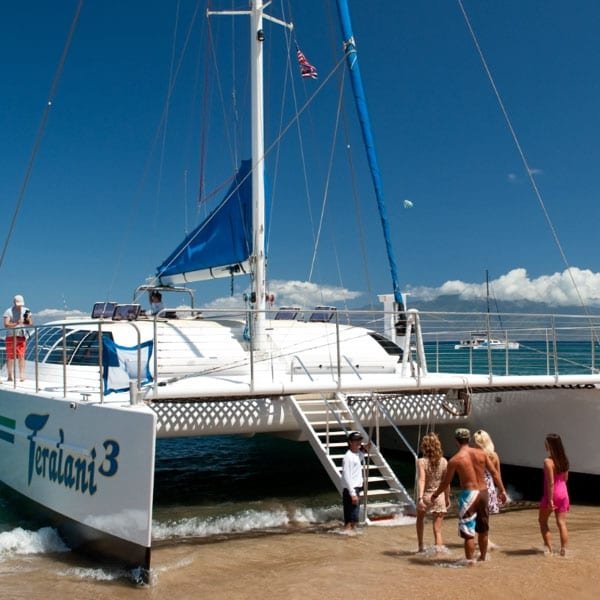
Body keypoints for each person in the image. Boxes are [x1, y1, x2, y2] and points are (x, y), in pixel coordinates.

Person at [431, 427, 507, 562]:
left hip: (469, 495)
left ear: (456, 441)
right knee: (483, 529)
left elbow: (445, 482)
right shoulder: (481, 454)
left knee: (468, 533)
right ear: (468, 439)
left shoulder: (455, 460)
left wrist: (436, 494)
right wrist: (502, 490)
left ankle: (470, 563)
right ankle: (483, 559)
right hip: (484, 493)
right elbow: (494, 473)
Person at [415, 432, 450, 553]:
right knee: (437, 529)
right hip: (439, 497)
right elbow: (446, 483)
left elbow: (422, 479)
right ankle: (439, 554)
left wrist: (420, 498)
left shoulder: (421, 462)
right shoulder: (444, 462)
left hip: (426, 496)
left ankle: (420, 546)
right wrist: (447, 498)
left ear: (424, 447)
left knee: (420, 520)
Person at [539, 433, 570, 556]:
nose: (544, 445)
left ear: (550, 445)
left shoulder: (548, 461)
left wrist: (550, 500)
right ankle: (564, 551)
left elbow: (551, 483)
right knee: (561, 523)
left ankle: (549, 550)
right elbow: (565, 478)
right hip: (564, 493)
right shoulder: (564, 459)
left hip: (552, 494)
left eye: (546, 443)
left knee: (542, 521)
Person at [473, 429, 502, 549]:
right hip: (489, 487)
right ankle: (485, 539)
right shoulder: (494, 456)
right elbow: (497, 474)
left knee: (475, 515)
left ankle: (479, 539)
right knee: (485, 516)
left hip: (476, 486)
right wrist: (501, 490)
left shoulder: (474, 455)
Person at [341, 431, 371, 533]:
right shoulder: (348, 457)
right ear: (350, 442)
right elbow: (346, 476)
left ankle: (350, 539)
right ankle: (347, 537)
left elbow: (363, 452)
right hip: (351, 490)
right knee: (350, 520)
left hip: (356, 489)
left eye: (359, 440)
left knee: (354, 519)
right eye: (356, 441)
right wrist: (352, 493)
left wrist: (366, 447)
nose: (358, 442)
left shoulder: (357, 454)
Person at [3, 294, 32, 382]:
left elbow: (30, 322)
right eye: (18, 304)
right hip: (11, 336)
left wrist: (24, 321)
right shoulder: (8, 311)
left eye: (21, 304)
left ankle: (22, 376)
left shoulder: (26, 310)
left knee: (21, 356)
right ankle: (10, 376)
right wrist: (16, 323)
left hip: (21, 336)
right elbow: (6, 324)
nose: (19, 306)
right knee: (10, 357)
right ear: (14, 303)